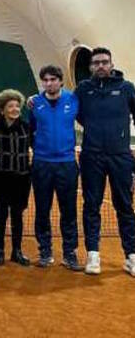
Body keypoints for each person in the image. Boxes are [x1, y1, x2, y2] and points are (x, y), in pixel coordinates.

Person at [75, 47, 135, 276]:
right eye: (96, 63)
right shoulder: (83, 89)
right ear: (91, 67)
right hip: (92, 156)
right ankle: (93, 255)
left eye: (105, 62)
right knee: (92, 206)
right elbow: (76, 113)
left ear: (111, 65)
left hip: (120, 157)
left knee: (125, 206)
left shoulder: (126, 88)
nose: (101, 66)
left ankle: (131, 256)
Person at [29, 65, 82, 271]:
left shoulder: (73, 100)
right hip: (42, 164)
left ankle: (70, 253)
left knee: (68, 211)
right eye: (45, 80)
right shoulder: (35, 104)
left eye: (53, 79)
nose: (49, 83)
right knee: (43, 210)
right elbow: (32, 128)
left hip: (67, 164)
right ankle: (45, 251)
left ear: (61, 81)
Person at [0, 89, 31, 267]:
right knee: (0, 215)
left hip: (21, 178)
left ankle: (17, 251)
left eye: (17, 105)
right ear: (2, 109)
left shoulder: (26, 127)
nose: (15, 109)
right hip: (1, 179)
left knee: (17, 216)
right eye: (10, 106)